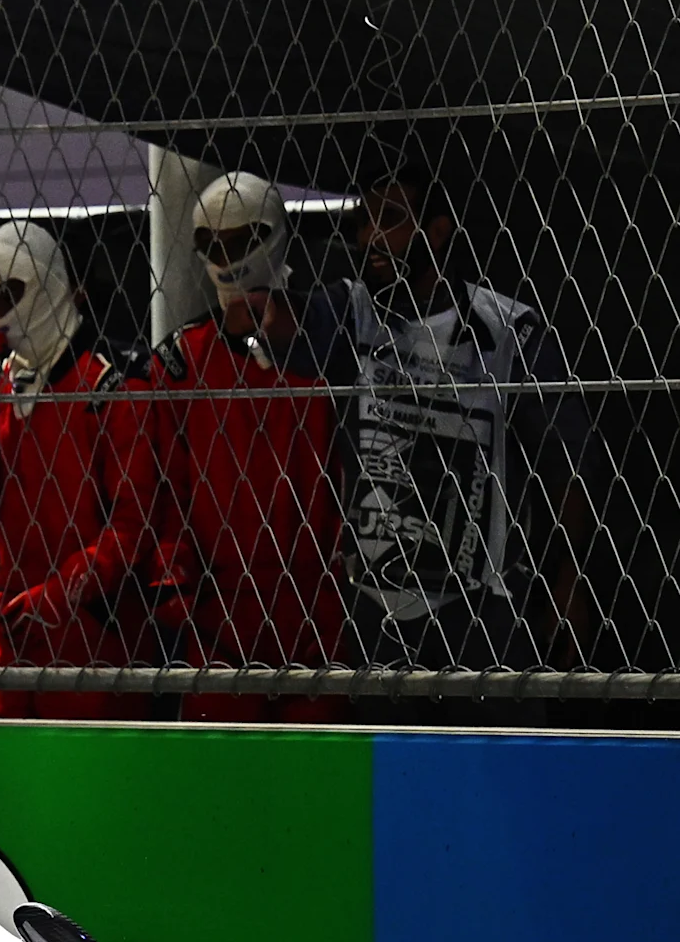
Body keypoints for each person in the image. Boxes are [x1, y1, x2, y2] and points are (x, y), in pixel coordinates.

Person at [295, 165, 589, 679]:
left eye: (389, 218)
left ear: (436, 230)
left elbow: (567, 464)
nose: (370, 237)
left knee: (495, 750)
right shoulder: (353, 311)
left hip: (483, 608)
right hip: (374, 603)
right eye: (364, 220)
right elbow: (292, 328)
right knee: (382, 753)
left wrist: (570, 579)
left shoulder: (509, 331)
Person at [138, 174, 345, 719]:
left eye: (241, 241)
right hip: (219, 625)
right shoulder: (181, 363)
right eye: (215, 245)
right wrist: (177, 584)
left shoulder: (328, 350)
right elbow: (165, 489)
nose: (227, 260)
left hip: (320, 619)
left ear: (272, 235)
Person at [0, 220, 138, 719]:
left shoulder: (109, 381)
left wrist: (57, 595)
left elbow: (135, 522)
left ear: (50, 280)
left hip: (96, 633)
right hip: (12, 629)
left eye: (11, 294)